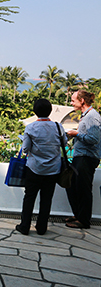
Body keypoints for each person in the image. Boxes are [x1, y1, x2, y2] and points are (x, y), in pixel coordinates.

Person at [16, 98, 66, 235]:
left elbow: (25, 149)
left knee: (29, 197)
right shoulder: (58, 127)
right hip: (53, 170)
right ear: (50, 111)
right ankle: (42, 227)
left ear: (35, 111)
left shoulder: (31, 127)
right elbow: (64, 144)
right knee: (46, 199)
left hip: (34, 169)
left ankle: (25, 226)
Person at [65, 90, 101, 229]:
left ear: (82, 101)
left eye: (73, 100)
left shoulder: (92, 116)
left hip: (86, 157)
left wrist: (76, 134)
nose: (71, 102)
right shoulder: (86, 115)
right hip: (81, 156)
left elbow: (93, 139)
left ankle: (84, 220)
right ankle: (78, 215)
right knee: (73, 186)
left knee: (83, 189)